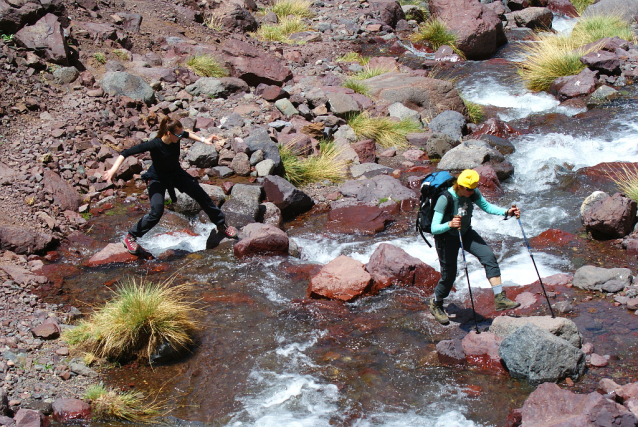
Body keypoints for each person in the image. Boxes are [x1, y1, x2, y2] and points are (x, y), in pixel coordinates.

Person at [104, 117, 237, 254]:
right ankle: (130, 237)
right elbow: (125, 153)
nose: (180, 137)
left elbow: (187, 134)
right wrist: (112, 170)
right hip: (157, 179)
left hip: (176, 174)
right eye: (178, 134)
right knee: (156, 212)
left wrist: (204, 140)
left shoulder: (177, 136)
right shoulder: (154, 144)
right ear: (168, 133)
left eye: (180, 134)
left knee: (202, 196)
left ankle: (221, 225)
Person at [429, 169, 521, 325]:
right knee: (449, 276)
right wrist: (450, 224)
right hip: (446, 238)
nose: (472, 192)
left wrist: (507, 212)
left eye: (473, 189)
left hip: (465, 233)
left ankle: (499, 298)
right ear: (460, 186)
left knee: (488, 257)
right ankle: (436, 302)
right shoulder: (445, 199)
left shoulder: (473, 192)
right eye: (469, 189)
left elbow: (487, 207)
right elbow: (434, 227)